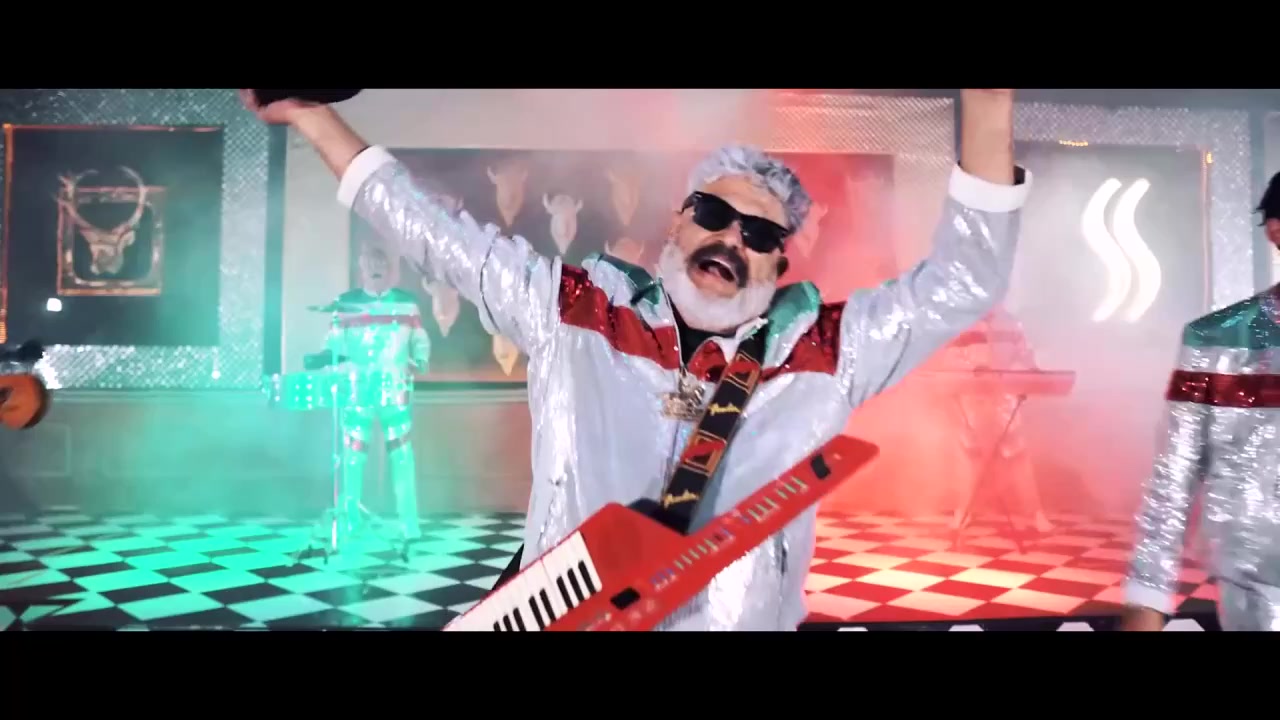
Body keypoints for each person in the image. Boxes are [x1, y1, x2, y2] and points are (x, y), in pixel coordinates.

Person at [242, 88, 1029, 630]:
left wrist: (989, 100)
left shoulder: (824, 351)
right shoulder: (573, 310)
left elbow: (967, 279)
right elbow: (429, 232)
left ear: (778, 265)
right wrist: (311, 116)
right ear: (677, 222)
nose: (732, 240)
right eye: (715, 214)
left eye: (760, 235)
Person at [1122, 170, 1280, 631]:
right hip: (1261, 595)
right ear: (1277, 232)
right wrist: (1146, 599)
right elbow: (1174, 477)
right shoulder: (1217, 341)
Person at [319, 243, 430, 540]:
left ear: (390, 270)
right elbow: (332, 345)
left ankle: (409, 522)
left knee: (402, 455)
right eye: (370, 264)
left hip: (395, 390)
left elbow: (419, 339)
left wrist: (420, 359)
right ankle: (350, 519)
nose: (375, 270)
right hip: (358, 391)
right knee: (352, 457)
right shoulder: (345, 304)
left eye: (381, 264)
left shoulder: (407, 303)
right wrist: (333, 370)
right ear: (362, 269)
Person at [946, 304, 1054, 534]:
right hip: (971, 397)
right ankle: (963, 511)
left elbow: (1025, 354)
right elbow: (951, 358)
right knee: (969, 454)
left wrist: (1032, 369)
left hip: (1005, 396)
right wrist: (973, 368)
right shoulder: (962, 321)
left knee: (1017, 454)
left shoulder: (1011, 323)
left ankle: (1034, 513)